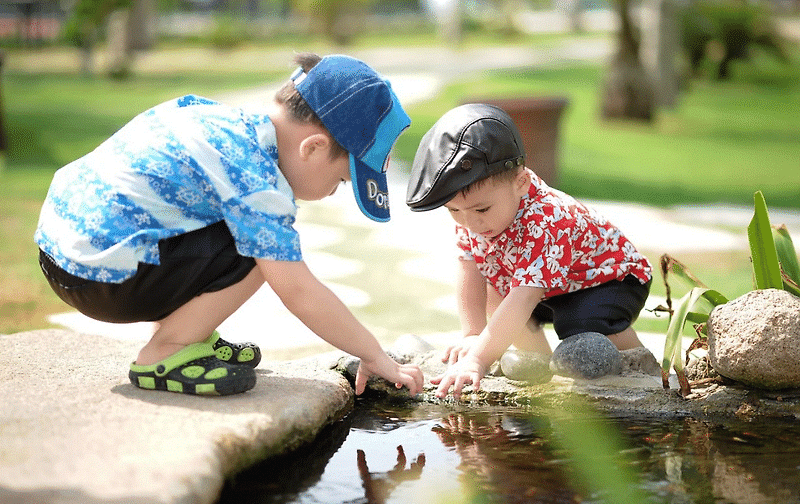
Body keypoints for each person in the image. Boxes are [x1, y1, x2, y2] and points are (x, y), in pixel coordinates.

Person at [35, 53, 424, 397]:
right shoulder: (255, 179)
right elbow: (298, 290)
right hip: (100, 279)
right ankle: (166, 352)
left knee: (244, 231)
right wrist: (373, 354)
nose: (332, 193)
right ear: (314, 148)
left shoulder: (220, 120)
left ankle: (189, 334)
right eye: (341, 181)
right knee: (264, 252)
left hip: (63, 252)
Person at [405, 103, 652, 399]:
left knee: (579, 323)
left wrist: (477, 359)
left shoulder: (547, 219)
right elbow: (469, 269)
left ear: (520, 182)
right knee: (496, 292)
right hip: (549, 286)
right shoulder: (474, 217)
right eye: (454, 210)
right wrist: (473, 334)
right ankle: (540, 372)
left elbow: (524, 297)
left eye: (481, 208)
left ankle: (642, 370)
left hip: (609, 280)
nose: (470, 222)